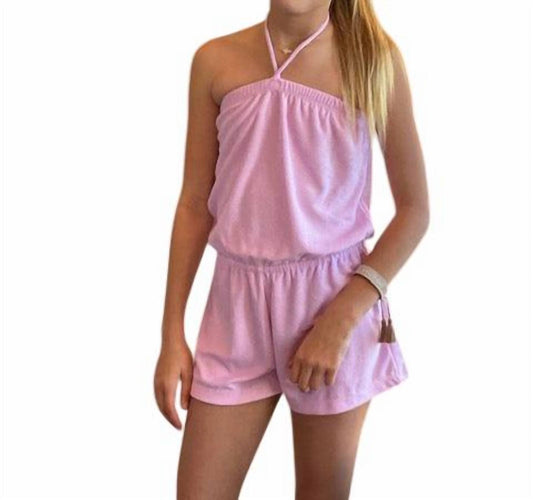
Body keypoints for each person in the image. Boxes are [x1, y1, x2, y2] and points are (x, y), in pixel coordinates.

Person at [154, 0, 429, 498]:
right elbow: (195, 204)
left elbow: (415, 211)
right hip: (234, 308)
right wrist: (172, 333)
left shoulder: (372, 60)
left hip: (333, 301)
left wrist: (341, 319)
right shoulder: (214, 60)